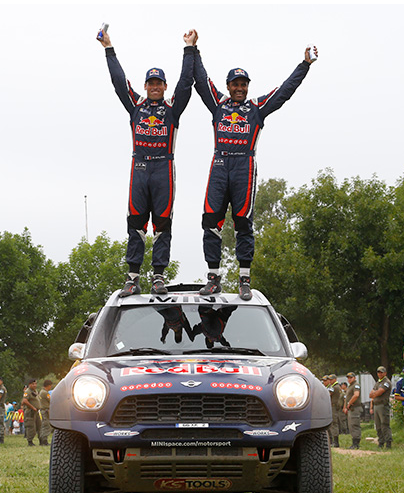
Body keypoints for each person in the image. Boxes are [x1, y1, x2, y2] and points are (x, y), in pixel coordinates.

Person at [193, 42, 317, 300]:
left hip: (244, 166)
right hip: (219, 164)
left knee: (243, 223)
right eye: (235, 84)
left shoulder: (256, 108)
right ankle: (213, 277)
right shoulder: (218, 104)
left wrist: (304, 65)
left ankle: (244, 279)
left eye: (243, 84)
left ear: (248, 86)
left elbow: (284, 91)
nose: (239, 88)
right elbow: (201, 80)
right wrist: (193, 50)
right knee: (210, 221)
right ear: (228, 87)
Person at [98, 28, 198, 296]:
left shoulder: (172, 108)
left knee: (162, 224)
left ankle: (158, 277)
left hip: (164, 168)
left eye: (159, 83)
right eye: (151, 83)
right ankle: (132, 277)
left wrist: (189, 49)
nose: (155, 87)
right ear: (145, 86)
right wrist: (109, 48)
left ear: (164, 87)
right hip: (139, 167)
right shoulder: (136, 106)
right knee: (136, 224)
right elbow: (119, 81)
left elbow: (186, 84)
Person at [369, 366, 392, 449]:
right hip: (376, 405)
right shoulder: (378, 383)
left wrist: (375, 393)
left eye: (381, 372)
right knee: (378, 425)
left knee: (384, 424)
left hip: (383, 405)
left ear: (385, 373)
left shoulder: (386, 382)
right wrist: (375, 393)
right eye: (378, 372)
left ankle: (388, 442)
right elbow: (370, 394)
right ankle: (381, 442)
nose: (380, 374)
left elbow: (379, 392)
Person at [21, 378, 44, 446]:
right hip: (30, 412)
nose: (34, 385)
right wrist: (32, 407)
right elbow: (24, 401)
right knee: (31, 427)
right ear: (29, 384)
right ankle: (30, 441)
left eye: (35, 383)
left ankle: (41, 441)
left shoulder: (35, 391)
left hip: (36, 412)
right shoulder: (27, 391)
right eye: (33, 384)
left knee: (39, 426)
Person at [342, 372, 363, 449]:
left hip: (355, 408)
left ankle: (356, 443)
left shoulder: (356, 385)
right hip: (350, 409)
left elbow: (356, 395)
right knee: (351, 426)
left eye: (351, 377)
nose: (349, 379)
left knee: (355, 425)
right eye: (348, 378)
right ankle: (354, 442)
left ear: (354, 378)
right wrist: (345, 407)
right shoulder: (350, 386)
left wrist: (349, 403)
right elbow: (346, 398)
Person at [323, 375, 343, 447]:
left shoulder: (334, 387)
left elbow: (327, 395)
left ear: (335, 379)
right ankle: (332, 441)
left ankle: (335, 442)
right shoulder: (334, 387)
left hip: (333, 407)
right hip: (332, 406)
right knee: (332, 424)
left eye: (331, 380)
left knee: (334, 424)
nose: (330, 381)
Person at [39, 379, 54, 445]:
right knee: (46, 425)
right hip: (45, 410)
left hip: (43, 410)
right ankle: (44, 440)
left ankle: (42, 440)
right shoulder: (45, 393)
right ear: (48, 385)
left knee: (44, 425)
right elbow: (51, 400)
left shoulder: (41, 392)